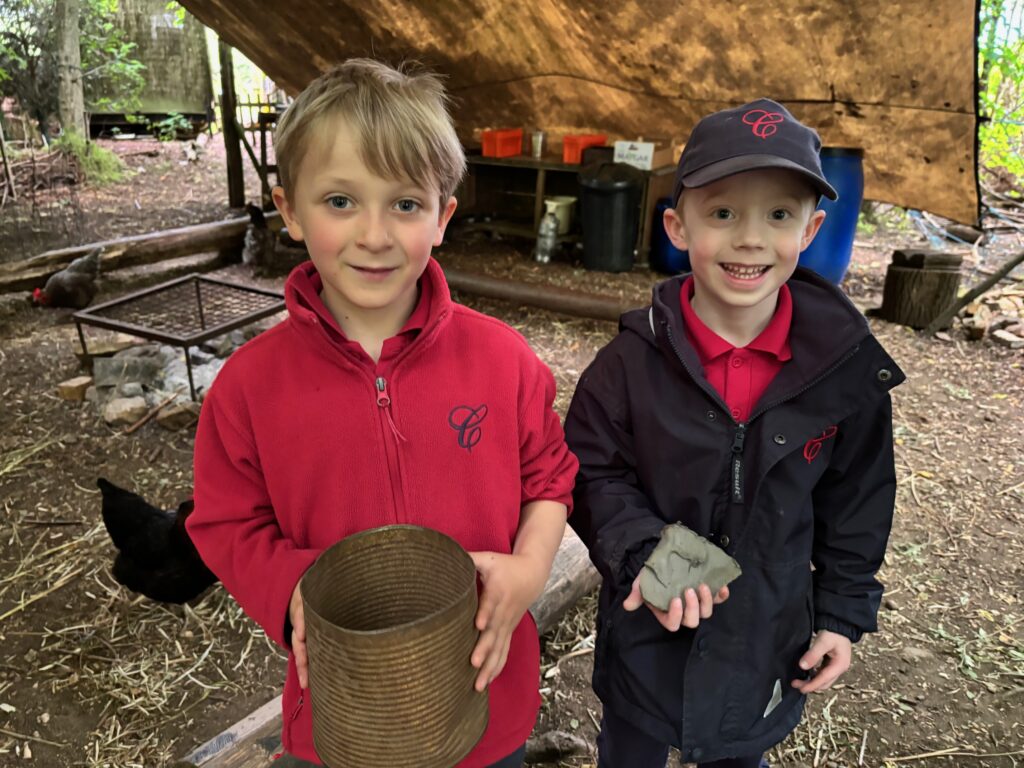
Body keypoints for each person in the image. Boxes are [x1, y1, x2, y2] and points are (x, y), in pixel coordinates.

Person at [186, 59, 578, 768]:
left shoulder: (504, 361)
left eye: (404, 204)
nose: (374, 234)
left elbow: (549, 478)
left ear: (443, 216)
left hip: (486, 693)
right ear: (289, 211)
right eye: (340, 201)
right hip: (342, 706)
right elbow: (224, 522)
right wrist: (292, 588)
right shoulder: (249, 387)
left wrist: (529, 571)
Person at [565, 98, 904, 767]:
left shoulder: (841, 370)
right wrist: (642, 548)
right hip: (648, 622)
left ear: (811, 230)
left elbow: (858, 498)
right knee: (630, 748)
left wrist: (841, 614)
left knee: (737, 751)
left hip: (765, 630)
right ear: (677, 225)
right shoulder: (631, 362)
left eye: (778, 215)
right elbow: (589, 470)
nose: (750, 239)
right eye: (722, 213)